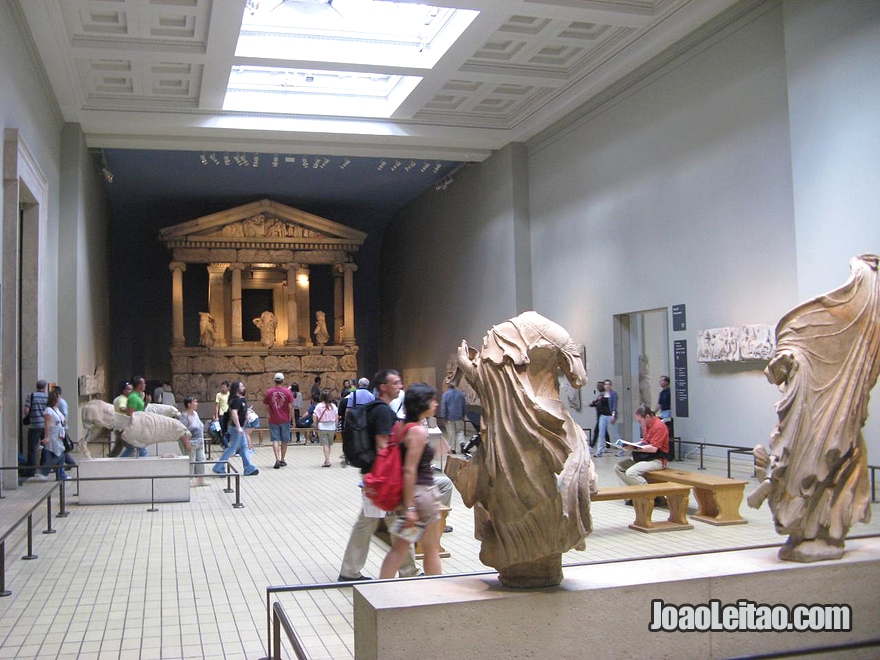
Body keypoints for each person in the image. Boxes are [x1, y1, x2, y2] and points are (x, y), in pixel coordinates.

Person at [338, 369, 419, 581]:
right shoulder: (383, 411)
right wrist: (392, 476)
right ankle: (408, 572)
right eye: (396, 382)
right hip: (380, 477)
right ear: (383, 387)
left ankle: (351, 570)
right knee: (391, 520)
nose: (400, 386)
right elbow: (383, 446)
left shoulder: (373, 408)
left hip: (373, 475)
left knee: (371, 522)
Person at [379, 383, 444, 578]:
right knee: (431, 549)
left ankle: (380, 592)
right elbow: (409, 469)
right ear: (422, 403)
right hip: (421, 496)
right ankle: (438, 594)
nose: (436, 403)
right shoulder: (417, 431)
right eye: (432, 400)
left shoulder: (400, 427)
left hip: (407, 496)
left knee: (399, 548)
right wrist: (410, 508)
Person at [614, 406, 670, 490]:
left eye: (640, 420)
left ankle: (648, 493)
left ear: (647, 417)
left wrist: (635, 448)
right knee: (618, 467)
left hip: (657, 460)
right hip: (646, 458)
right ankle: (630, 494)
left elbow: (653, 448)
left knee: (631, 473)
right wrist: (629, 445)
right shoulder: (646, 426)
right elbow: (644, 442)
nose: (639, 423)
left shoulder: (659, 426)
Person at [212, 381, 259, 476]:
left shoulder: (241, 400)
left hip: (239, 427)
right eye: (241, 386)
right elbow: (234, 414)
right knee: (232, 448)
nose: (243, 387)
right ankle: (219, 466)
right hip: (235, 428)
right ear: (237, 388)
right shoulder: (236, 401)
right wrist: (238, 427)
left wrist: (246, 419)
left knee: (243, 447)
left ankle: (248, 467)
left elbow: (243, 412)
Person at [37, 388, 69, 481]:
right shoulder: (48, 410)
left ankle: (60, 475)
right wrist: (47, 437)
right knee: (59, 455)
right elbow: (47, 424)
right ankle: (44, 471)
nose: (60, 399)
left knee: (60, 454)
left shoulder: (56, 409)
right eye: (58, 397)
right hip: (53, 434)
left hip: (59, 434)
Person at [264, 372, 295, 469]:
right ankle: (282, 459)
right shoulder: (287, 392)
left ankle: (277, 459)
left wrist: (267, 416)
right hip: (285, 419)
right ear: (283, 381)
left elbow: (266, 406)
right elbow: (291, 407)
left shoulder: (269, 392)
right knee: (284, 440)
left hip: (273, 419)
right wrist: (293, 419)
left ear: (274, 381)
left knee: (275, 439)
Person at [22, 379, 49, 478]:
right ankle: (44, 468)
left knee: (32, 449)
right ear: (45, 387)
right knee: (45, 447)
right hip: (45, 425)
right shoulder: (47, 397)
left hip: (34, 425)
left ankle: (31, 470)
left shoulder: (31, 395)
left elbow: (26, 411)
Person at [180, 396, 207, 486]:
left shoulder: (195, 413)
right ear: (189, 404)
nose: (197, 403)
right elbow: (182, 431)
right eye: (194, 402)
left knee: (201, 460)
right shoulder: (184, 416)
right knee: (191, 462)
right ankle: (189, 481)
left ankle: (200, 480)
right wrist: (186, 443)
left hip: (199, 441)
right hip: (191, 442)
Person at [120, 376, 149, 457]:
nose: (145, 385)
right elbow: (131, 414)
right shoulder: (133, 397)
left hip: (138, 426)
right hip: (135, 427)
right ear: (139, 385)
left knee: (131, 450)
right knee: (142, 450)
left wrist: (146, 403)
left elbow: (140, 410)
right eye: (144, 383)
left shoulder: (137, 396)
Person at [595, 379, 622, 457]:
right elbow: (598, 403)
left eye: (608, 384)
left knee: (615, 433)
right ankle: (599, 451)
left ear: (610, 385)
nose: (607, 386)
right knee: (601, 433)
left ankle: (621, 449)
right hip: (603, 416)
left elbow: (614, 405)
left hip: (610, 415)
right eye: (605, 384)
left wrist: (613, 415)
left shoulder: (613, 394)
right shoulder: (602, 394)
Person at [313, 389, 339, 467]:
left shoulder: (319, 406)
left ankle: (327, 461)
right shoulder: (333, 406)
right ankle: (327, 459)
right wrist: (336, 427)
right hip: (331, 426)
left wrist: (315, 427)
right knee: (329, 444)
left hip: (322, 426)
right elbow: (336, 417)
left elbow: (315, 417)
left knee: (325, 444)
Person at [53, 386, 77, 470]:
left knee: (61, 448)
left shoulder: (61, 403)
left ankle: (70, 463)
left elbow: (64, 416)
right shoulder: (57, 403)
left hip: (61, 429)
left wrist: (62, 429)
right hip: (59, 428)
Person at [439, 382, 466, 455]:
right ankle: (463, 444)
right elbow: (464, 406)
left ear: (447, 386)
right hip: (459, 416)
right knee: (460, 431)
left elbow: (444, 407)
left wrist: (444, 417)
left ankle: (452, 449)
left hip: (449, 417)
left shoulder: (446, 394)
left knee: (451, 433)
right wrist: (463, 415)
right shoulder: (460, 394)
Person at [109, 381, 133, 457]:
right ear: (124, 390)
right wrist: (131, 410)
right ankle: (121, 461)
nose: (131, 391)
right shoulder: (122, 399)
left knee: (117, 448)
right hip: (123, 428)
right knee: (131, 448)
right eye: (129, 389)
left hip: (118, 427)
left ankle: (110, 460)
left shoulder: (118, 399)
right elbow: (122, 408)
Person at [655, 375, 674, 457]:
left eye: (662, 380)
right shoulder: (662, 392)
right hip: (663, 412)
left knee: (668, 429)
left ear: (666, 382)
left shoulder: (669, 392)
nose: (660, 382)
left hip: (668, 412)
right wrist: (653, 412)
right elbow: (659, 404)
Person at [214, 380, 230, 447]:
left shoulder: (230, 394)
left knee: (229, 431)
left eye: (224, 387)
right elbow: (217, 406)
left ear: (227, 387)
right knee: (223, 431)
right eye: (222, 387)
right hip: (222, 415)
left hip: (229, 414)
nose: (223, 388)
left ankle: (225, 443)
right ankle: (226, 446)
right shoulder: (219, 395)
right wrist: (216, 416)